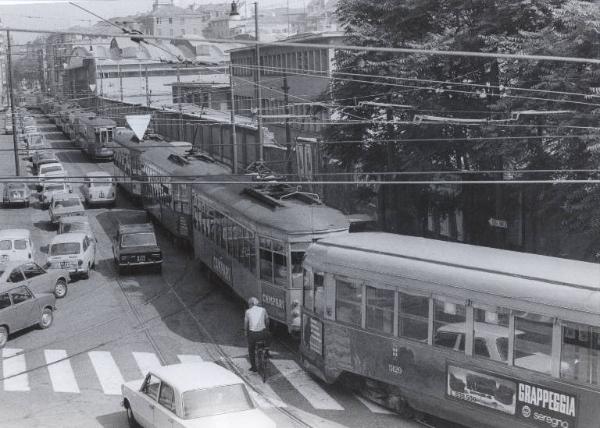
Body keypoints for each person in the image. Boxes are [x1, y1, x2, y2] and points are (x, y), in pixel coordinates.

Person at [244, 296, 269, 372]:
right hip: (262, 333)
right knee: (263, 344)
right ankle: (266, 352)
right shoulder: (263, 310)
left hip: (253, 334)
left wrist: (245, 332)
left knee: (251, 349)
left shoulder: (248, 311)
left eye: (249, 304)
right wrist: (266, 328)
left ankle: (254, 367)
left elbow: (246, 324)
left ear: (251, 304)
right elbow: (267, 320)